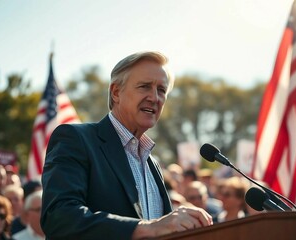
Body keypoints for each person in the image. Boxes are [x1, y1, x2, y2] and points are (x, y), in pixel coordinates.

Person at [41, 51, 213, 239]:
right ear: (116, 92)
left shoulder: (152, 164)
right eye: (144, 86)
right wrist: (147, 228)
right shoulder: (76, 139)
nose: (154, 97)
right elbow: (58, 217)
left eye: (161, 90)